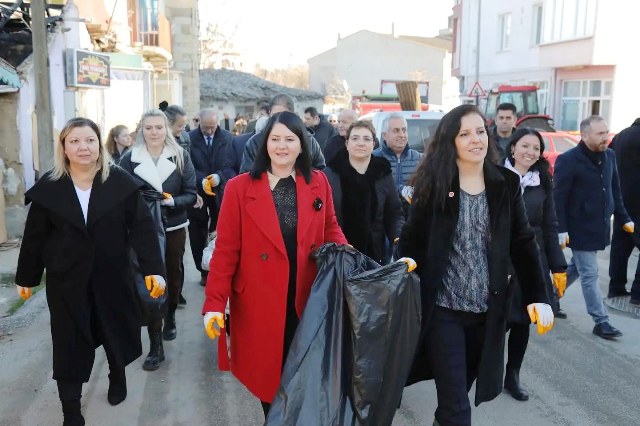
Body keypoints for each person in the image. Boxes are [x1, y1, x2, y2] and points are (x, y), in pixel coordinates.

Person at [398, 105, 553, 426]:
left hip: (488, 314)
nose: (475, 140)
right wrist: (406, 259)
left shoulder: (506, 183)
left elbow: (523, 243)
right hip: (443, 312)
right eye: (464, 134)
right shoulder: (435, 182)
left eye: (480, 131)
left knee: (454, 402)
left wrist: (539, 295)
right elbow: (412, 235)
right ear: (450, 141)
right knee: (457, 410)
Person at [15, 117, 165, 426]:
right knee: (68, 341)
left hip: (112, 276)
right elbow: (35, 237)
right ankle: (71, 409)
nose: (83, 147)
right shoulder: (50, 188)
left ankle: (117, 374)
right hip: (66, 281)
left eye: (89, 140)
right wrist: (27, 277)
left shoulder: (120, 182)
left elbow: (143, 229)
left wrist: (153, 269)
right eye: (75, 141)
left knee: (113, 330)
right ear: (64, 148)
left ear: (99, 145)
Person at [201, 111, 347, 418]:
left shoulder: (317, 182)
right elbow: (226, 251)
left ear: (302, 145)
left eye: (290, 139)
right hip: (259, 300)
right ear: (264, 143)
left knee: (303, 377)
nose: (282, 146)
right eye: (275, 139)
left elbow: (331, 227)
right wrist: (215, 303)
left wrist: (353, 263)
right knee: (270, 381)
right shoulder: (240, 188)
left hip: (307, 297)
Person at [119, 109, 196, 369]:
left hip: (173, 225)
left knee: (172, 276)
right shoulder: (129, 159)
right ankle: (155, 345)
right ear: (141, 129)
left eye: (159, 127)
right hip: (142, 230)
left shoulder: (181, 156)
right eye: (149, 127)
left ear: (167, 129)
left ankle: (171, 315)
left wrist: (172, 201)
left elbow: (191, 193)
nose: (154, 132)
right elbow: (120, 195)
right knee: (151, 280)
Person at [501, 128, 568, 401]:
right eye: (525, 146)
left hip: (532, 261)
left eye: (536, 149)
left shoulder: (543, 183)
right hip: (500, 261)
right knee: (494, 320)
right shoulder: (496, 177)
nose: (530, 152)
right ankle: (481, 370)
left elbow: (549, 227)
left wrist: (559, 267)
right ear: (513, 147)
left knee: (522, 323)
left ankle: (512, 375)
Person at [554, 115, 633, 339]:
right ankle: (601, 320)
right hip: (578, 228)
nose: (605, 137)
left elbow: (615, 191)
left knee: (577, 268)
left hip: (598, 227)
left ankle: (550, 296)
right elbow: (559, 198)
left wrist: (624, 217)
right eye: (600, 134)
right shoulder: (568, 160)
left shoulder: (609, 155)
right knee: (590, 273)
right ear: (584, 135)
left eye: (606, 132)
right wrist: (561, 229)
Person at [323, 120, 404, 265]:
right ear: (347, 143)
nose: (361, 143)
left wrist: (398, 236)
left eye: (366, 139)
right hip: (337, 256)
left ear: (374, 144)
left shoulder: (383, 174)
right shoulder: (329, 175)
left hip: (375, 257)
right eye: (355, 138)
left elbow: (394, 213)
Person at [188, 108, 233, 286]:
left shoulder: (228, 138)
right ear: (199, 122)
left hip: (220, 191)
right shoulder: (190, 138)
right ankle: (202, 269)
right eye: (205, 127)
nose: (209, 131)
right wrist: (202, 179)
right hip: (198, 191)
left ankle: (216, 268)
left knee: (219, 230)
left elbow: (231, 164)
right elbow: (187, 164)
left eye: (212, 127)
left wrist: (219, 176)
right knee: (197, 231)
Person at [239, 93, 326, 173]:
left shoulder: (308, 140)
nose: (278, 121)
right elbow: (246, 176)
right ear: (269, 114)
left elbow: (320, 169)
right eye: (274, 116)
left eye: (283, 116)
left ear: (293, 115)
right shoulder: (255, 142)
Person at [608, 118, 640, 301]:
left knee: (620, 245)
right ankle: (638, 293)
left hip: (620, 200)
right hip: (638, 202)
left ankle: (616, 287)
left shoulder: (621, 135)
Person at [373, 112, 422, 210]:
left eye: (404, 130)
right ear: (385, 135)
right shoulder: (373, 159)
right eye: (396, 130)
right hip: (384, 219)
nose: (402, 135)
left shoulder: (420, 159)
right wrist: (402, 190)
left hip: (413, 219)